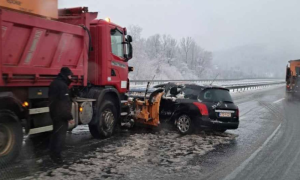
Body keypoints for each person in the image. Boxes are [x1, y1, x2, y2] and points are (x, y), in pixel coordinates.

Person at [48, 67, 75, 164]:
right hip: (60, 115)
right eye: (70, 75)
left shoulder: (54, 83)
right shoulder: (62, 86)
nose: (71, 77)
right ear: (66, 75)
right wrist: (69, 117)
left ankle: (52, 154)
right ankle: (57, 158)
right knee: (60, 136)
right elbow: (64, 103)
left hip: (54, 112)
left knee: (55, 134)